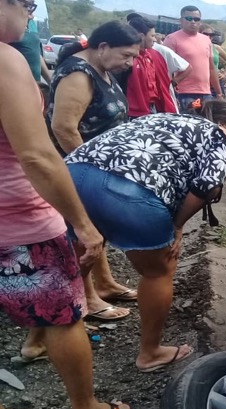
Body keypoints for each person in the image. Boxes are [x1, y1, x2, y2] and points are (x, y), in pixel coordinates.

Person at [0, 0, 133, 409]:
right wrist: (83, 222)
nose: (29, 13)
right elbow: (38, 155)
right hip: (18, 220)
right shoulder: (5, 59)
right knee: (63, 315)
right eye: (28, 3)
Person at [65, 101, 226, 372]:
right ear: (225, 124)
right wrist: (177, 225)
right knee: (159, 271)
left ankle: (42, 337)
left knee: (75, 251)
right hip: (129, 189)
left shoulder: (169, 119)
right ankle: (150, 352)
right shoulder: (222, 139)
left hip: (73, 174)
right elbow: (207, 185)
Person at [42, 20, 141, 330]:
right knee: (82, 236)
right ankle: (85, 299)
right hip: (77, 168)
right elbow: (63, 127)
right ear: (102, 47)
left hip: (94, 165)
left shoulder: (101, 69)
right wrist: (92, 167)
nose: (130, 63)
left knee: (96, 229)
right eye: (126, 55)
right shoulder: (78, 74)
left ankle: (106, 283)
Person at [163, 5, 223, 111]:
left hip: (205, 94)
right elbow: (165, 69)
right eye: (189, 18)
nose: (193, 22)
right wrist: (169, 92)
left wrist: (219, 93)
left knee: (205, 122)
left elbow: (211, 68)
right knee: (189, 121)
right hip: (184, 95)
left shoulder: (206, 40)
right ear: (181, 20)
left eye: (196, 19)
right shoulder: (172, 39)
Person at [119, 14, 177, 117]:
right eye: (152, 36)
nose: (155, 39)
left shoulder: (149, 56)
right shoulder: (127, 60)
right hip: (132, 113)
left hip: (150, 110)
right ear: (141, 36)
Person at [152, 32, 190, 113]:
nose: (154, 39)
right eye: (152, 36)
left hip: (164, 100)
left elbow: (187, 68)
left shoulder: (160, 50)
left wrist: (172, 83)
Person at [9, 12, 49, 84]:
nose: (32, 16)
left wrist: (50, 81)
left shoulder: (32, 26)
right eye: (26, 6)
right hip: (18, 85)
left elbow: (36, 54)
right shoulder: (9, 32)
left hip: (35, 85)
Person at [199, 24, 226, 95]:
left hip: (216, 82)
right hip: (200, 84)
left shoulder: (216, 48)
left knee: (220, 104)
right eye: (205, 34)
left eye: (211, 35)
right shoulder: (193, 48)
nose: (208, 37)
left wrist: (224, 73)